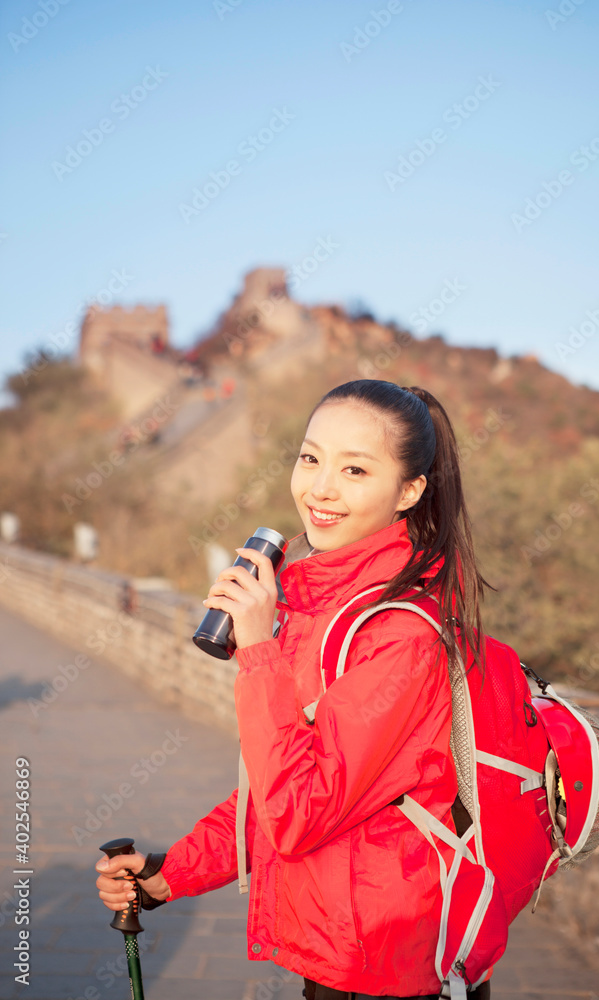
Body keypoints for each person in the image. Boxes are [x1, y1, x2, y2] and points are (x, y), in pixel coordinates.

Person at [95, 379, 493, 998]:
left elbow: (298, 814)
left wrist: (257, 650)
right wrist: (171, 874)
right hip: (339, 947)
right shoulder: (317, 607)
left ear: (409, 491)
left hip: (389, 963)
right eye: (310, 458)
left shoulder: (398, 635)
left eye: (355, 469)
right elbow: (276, 778)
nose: (320, 489)